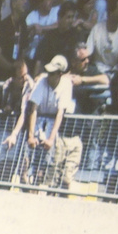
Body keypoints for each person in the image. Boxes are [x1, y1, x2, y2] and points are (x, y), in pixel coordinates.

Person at [26, 53, 81, 188]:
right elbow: (33, 109)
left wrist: (50, 139)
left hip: (54, 121)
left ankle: (47, 185)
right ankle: (31, 182)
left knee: (51, 158)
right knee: (31, 156)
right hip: (40, 118)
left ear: (60, 74)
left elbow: (60, 113)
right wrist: (31, 135)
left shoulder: (66, 84)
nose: (50, 76)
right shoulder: (42, 81)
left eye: (53, 73)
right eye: (49, 72)